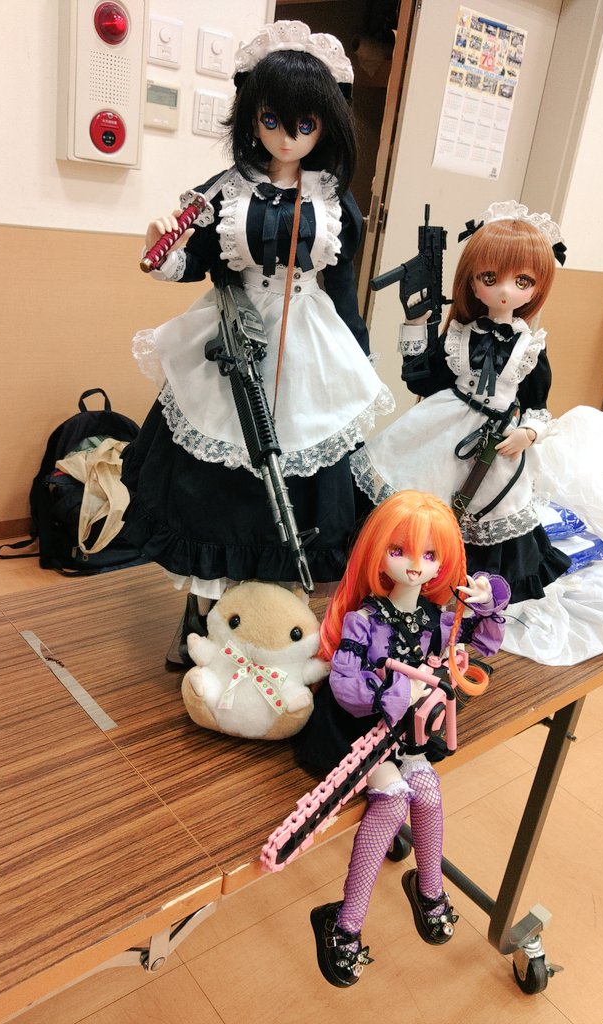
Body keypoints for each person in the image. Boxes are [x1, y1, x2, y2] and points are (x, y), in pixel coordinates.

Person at [121, 21, 393, 662]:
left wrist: (358, 361)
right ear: (251, 116)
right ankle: (203, 619)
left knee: (299, 487)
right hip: (229, 338)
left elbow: (343, 289)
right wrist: (161, 252)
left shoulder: (335, 202)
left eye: (305, 125)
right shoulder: (224, 190)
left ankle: (275, 626)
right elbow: (197, 263)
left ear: (326, 126)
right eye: (273, 120)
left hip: (309, 347)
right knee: (216, 485)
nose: (288, 137)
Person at [296, 490, 510, 986]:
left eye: (430, 555)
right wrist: (401, 689)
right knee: (392, 799)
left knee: (429, 791)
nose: (415, 566)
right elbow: (347, 688)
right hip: (360, 727)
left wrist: (487, 596)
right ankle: (344, 922)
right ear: (378, 553)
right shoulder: (363, 620)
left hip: (409, 731)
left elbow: (483, 640)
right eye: (401, 551)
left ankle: (429, 889)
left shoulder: (436, 619)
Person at [350, 201, 570, 603]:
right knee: (418, 497)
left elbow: (538, 405)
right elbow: (420, 379)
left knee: (487, 513)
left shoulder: (530, 348)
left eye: (522, 281)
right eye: (491, 278)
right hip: (444, 424)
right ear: (472, 279)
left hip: (496, 442)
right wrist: (415, 324)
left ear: (538, 286)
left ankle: (469, 591)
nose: (505, 290)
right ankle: (405, 573)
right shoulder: (459, 336)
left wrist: (528, 432)